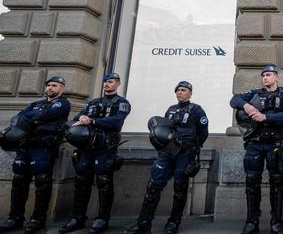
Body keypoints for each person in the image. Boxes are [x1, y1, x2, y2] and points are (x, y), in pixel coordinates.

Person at [123, 81, 208, 234]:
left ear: (190, 93)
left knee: (180, 190)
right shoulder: (171, 110)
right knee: (153, 186)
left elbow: (203, 133)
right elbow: (162, 129)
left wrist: (191, 147)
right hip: (167, 154)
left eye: (183, 90)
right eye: (178, 90)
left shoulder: (197, 110)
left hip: (185, 155)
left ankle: (173, 223)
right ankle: (143, 224)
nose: (180, 92)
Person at [59, 72, 131, 234]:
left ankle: (102, 219)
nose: (107, 84)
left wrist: (93, 121)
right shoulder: (93, 102)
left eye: (111, 82)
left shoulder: (122, 102)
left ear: (118, 84)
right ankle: (78, 218)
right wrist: (83, 117)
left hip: (105, 149)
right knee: (81, 182)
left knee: (104, 183)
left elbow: (116, 121)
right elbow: (76, 119)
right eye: (105, 82)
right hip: (86, 148)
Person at [230, 64, 283, 234]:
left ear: (276, 77)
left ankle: (277, 222)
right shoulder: (254, 93)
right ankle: (252, 221)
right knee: (252, 181)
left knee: (277, 182)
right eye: (263, 75)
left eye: (269, 74)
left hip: (275, 144)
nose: (265, 77)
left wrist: (265, 116)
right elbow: (234, 100)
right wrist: (247, 106)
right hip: (255, 144)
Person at [0, 76, 70, 234]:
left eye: (55, 85)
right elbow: (18, 118)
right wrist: (35, 119)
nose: (51, 88)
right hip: (26, 145)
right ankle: (15, 218)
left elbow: (47, 116)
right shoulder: (36, 104)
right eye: (49, 85)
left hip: (44, 146)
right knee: (19, 180)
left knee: (42, 181)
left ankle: (38, 219)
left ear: (62, 89)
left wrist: (35, 119)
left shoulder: (63, 103)